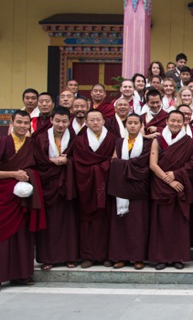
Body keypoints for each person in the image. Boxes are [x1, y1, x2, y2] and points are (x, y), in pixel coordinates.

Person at [0, 110, 45, 293]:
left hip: (24, 198)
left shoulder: (31, 144)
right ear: (11, 123)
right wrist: (13, 174)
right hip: (4, 197)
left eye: (26, 123)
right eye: (19, 122)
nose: (22, 126)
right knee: (2, 235)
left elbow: (40, 166)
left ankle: (22, 274)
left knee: (23, 236)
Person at [148, 110, 193, 270]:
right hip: (163, 185)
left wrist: (176, 175)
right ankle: (161, 258)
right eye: (172, 121)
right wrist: (170, 181)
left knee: (178, 224)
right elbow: (153, 165)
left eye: (179, 121)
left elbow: (191, 163)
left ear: (184, 122)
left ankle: (177, 257)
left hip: (180, 185)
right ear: (166, 121)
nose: (175, 124)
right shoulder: (159, 140)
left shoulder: (189, 141)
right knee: (161, 223)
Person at [69, 109, 116, 268]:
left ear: (104, 121)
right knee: (88, 221)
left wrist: (100, 169)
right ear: (86, 123)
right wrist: (98, 169)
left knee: (107, 221)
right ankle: (89, 255)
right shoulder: (79, 141)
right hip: (87, 186)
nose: (95, 123)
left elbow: (114, 161)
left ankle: (106, 255)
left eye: (98, 120)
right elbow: (78, 164)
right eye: (92, 120)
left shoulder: (112, 139)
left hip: (106, 186)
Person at [33, 107, 78, 272]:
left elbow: (79, 158)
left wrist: (68, 162)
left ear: (69, 121)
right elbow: (37, 160)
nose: (61, 124)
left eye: (64, 121)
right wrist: (52, 161)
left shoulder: (74, 137)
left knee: (68, 222)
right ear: (51, 120)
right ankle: (48, 258)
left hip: (67, 184)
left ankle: (69, 256)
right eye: (57, 121)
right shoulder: (41, 138)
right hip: (48, 184)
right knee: (49, 223)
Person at [107, 114, 152, 270]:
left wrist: (122, 164)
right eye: (130, 123)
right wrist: (124, 164)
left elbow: (144, 164)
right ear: (125, 125)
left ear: (141, 126)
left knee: (138, 225)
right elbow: (113, 162)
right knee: (121, 225)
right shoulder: (119, 142)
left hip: (139, 188)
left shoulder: (147, 143)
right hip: (121, 187)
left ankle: (138, 257)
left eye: (135, 123)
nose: (132, 126)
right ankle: (121, 257)